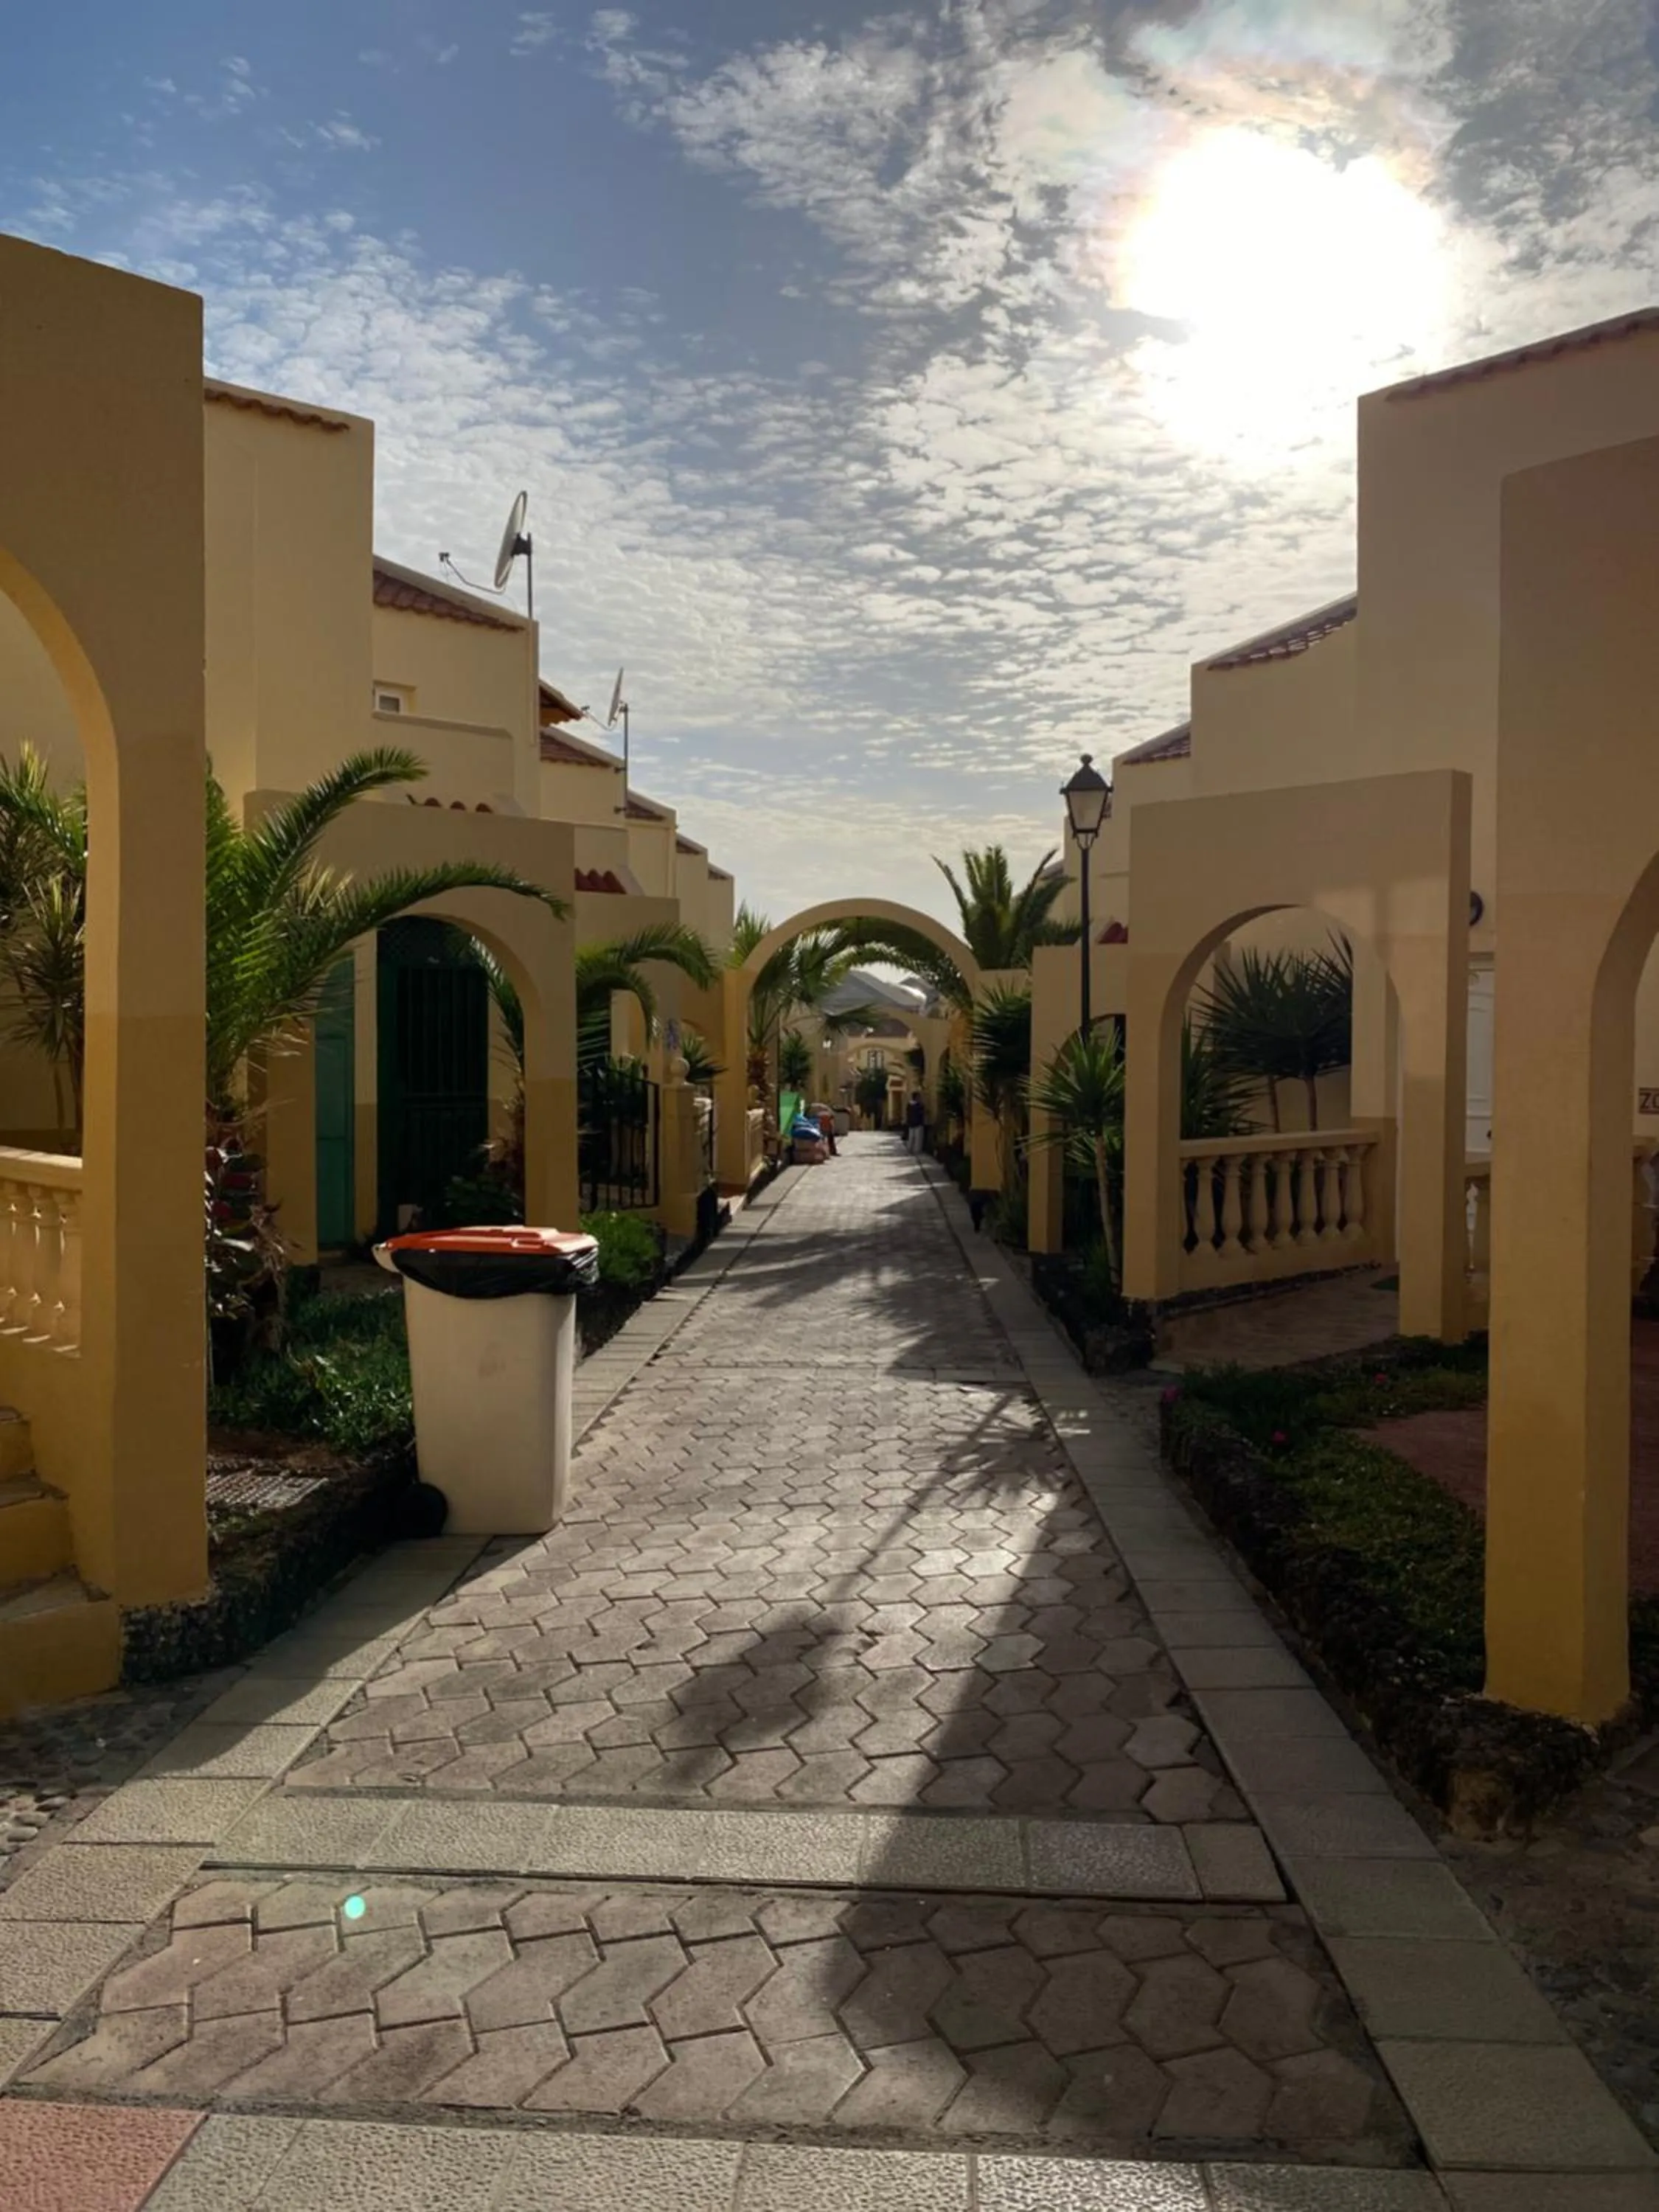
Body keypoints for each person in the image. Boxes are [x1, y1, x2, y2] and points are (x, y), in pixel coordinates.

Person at [905, 1090, 927, 1156]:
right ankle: (917, 1151)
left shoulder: (909, 1105)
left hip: (911, 1123)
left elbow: (908, 1114)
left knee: (911, 1137)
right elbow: (922, 1113)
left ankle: (910, 1149)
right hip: (918, 1123)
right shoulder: (919, 1105)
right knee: (918, 1138)